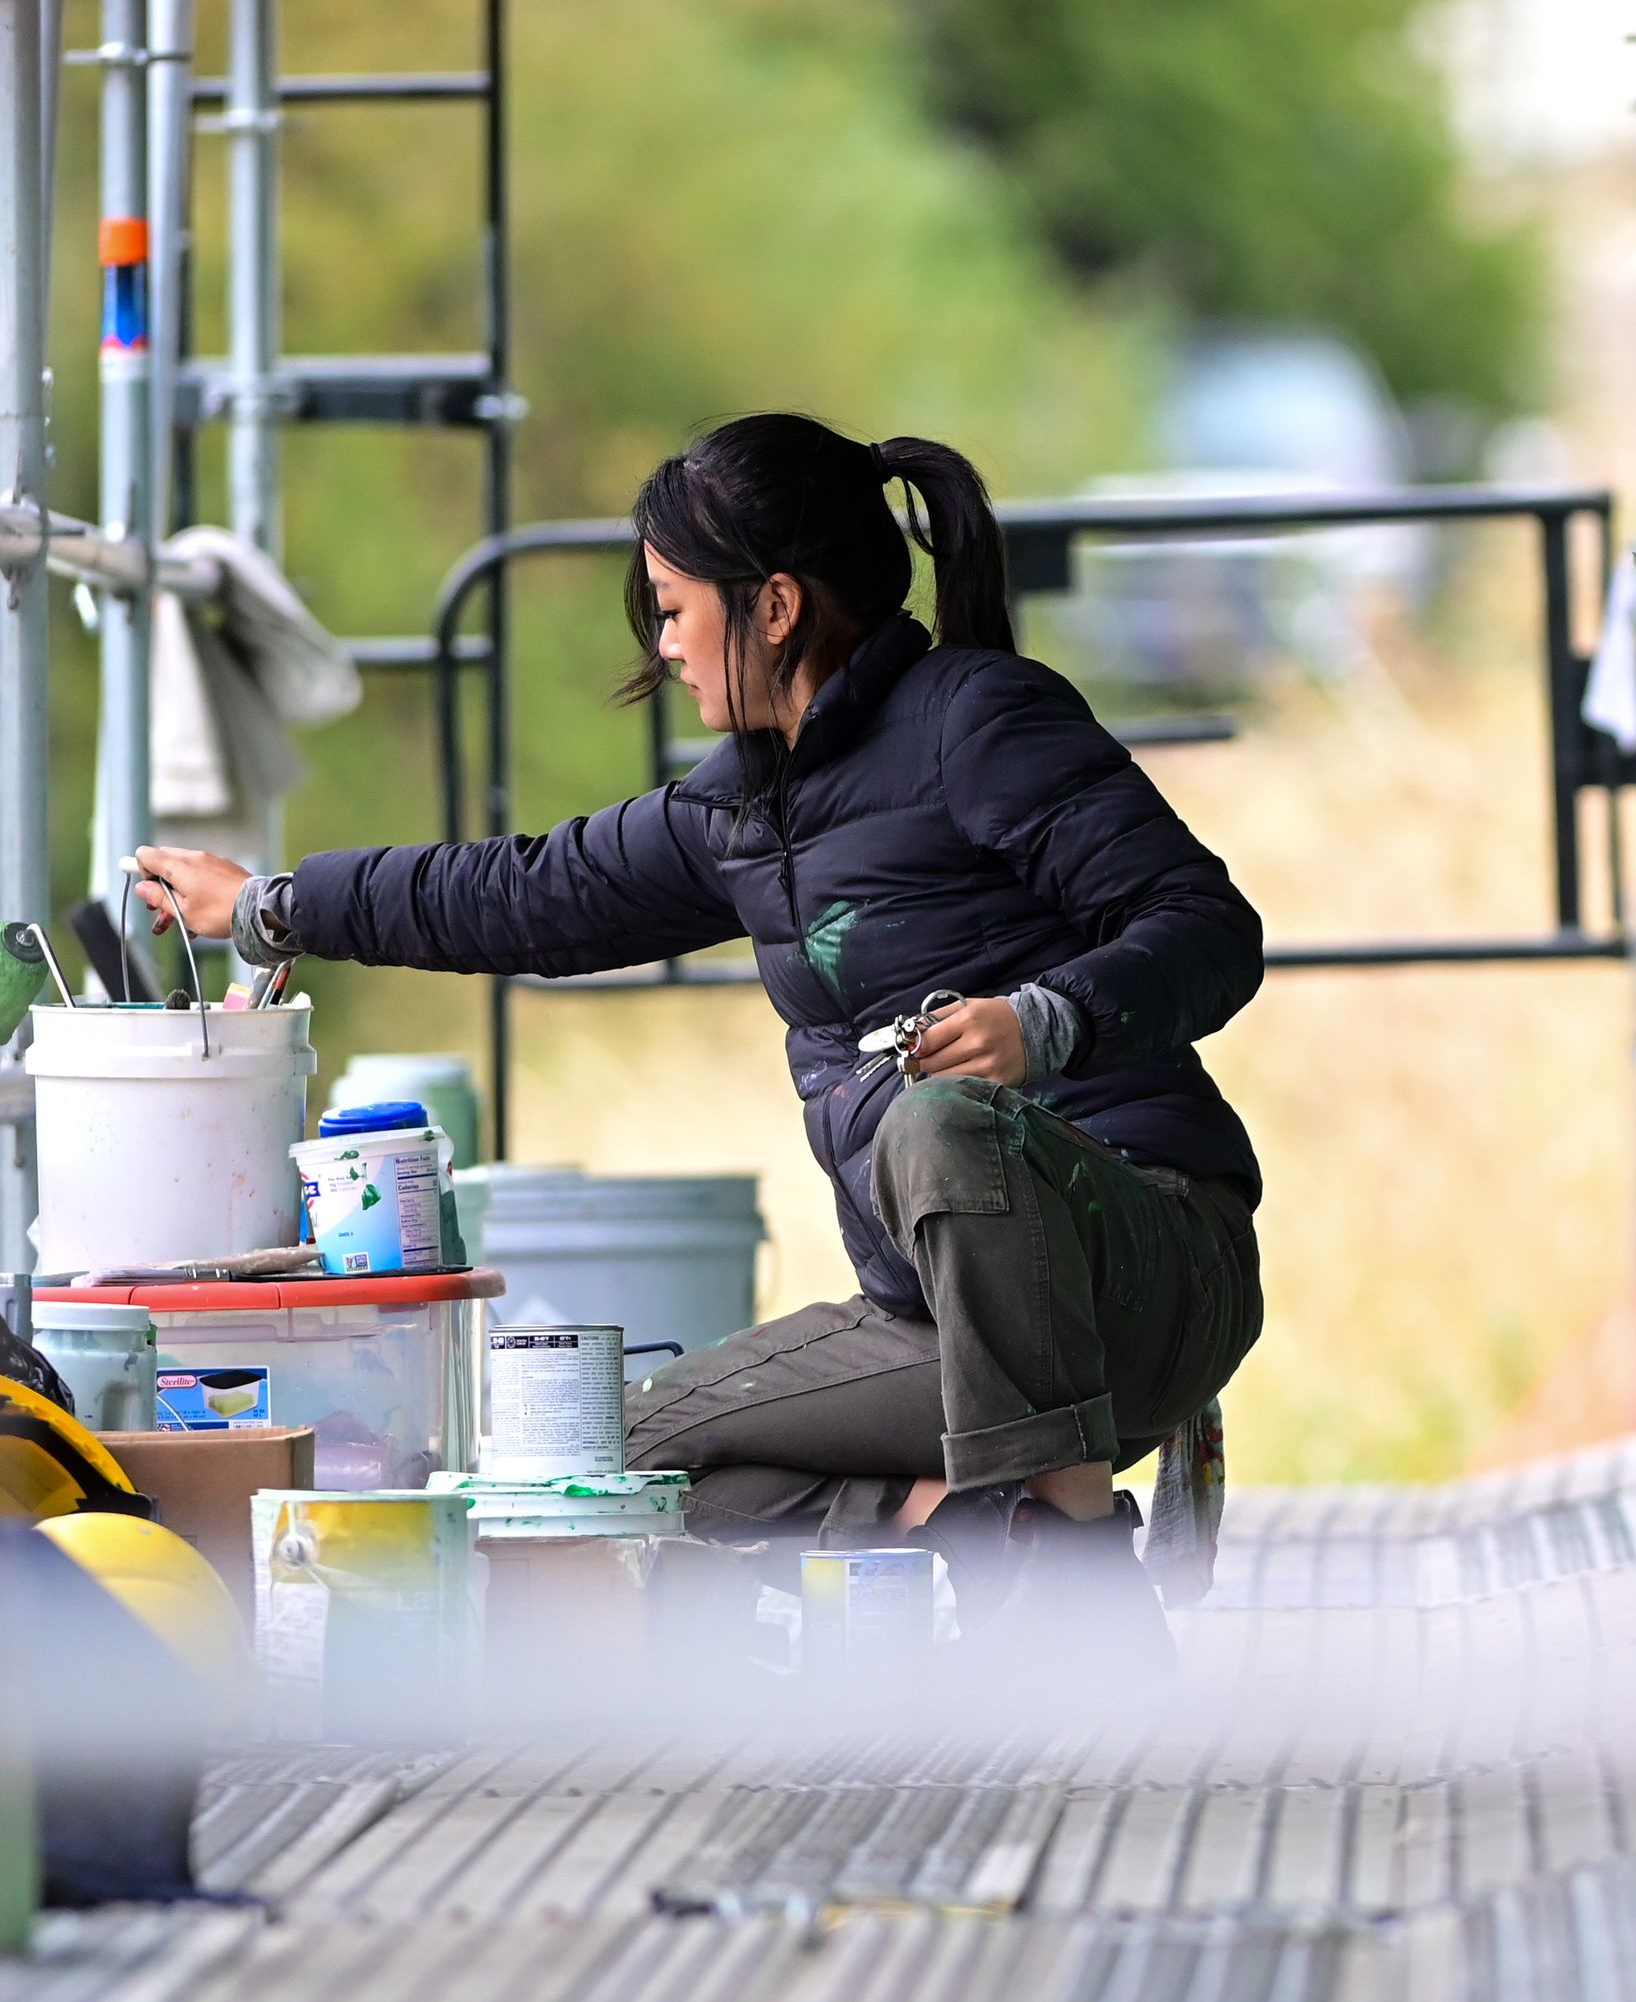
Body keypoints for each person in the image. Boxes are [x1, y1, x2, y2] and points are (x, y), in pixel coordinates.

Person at [131, 413, 1267, 1653]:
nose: (666, 646)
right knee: (629, 1466)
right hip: (936, 1321)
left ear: (774, 604)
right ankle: (1000, 1529)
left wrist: (1046, 1024)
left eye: (675, 609)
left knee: (944, 1124)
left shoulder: (978, 721)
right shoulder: (738, 807)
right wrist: (265, 906)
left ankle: (1070, 1567)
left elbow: (1208, 924)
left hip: (1140, 1267)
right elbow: (514, 889)